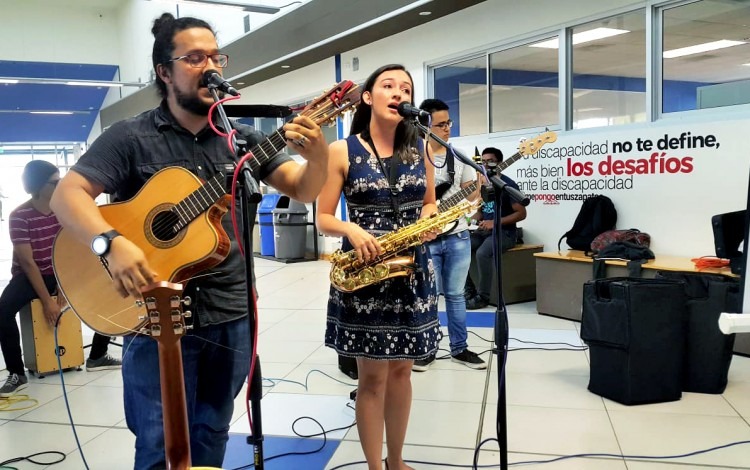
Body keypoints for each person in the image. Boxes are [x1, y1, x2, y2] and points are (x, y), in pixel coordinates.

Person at [49, 13, 328, 469]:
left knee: (212, 433)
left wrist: (317, 157)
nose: (210, 66)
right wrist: (111, 242)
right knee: (158, 444)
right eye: (194, 58)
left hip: (230, 312)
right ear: (164, 71)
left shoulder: (243, 141)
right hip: (153, 316)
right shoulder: (130, 137)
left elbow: (304, 189)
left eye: (216, 57)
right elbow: (67, 194)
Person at [317, 64, 440, 470]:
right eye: (388, 85)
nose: (398, 93)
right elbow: (323, 218)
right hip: (367, 274)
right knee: (372, 378)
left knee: (403, 372)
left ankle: (397, 460)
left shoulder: (419, 146)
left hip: (414, 271)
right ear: (368, 97)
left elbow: (429, 203)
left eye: (406, 88)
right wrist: (352, 229)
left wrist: (428, 223)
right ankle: (374, 465)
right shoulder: (341, 150)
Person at [0, 161, 121, 398]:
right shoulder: (19, 216)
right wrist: (48, 301)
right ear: (38, 185)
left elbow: (74, 250)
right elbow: (27, 263)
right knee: (3, 311)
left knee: (111, 293)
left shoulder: (64, 211)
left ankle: (97, 355)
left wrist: (64, 288)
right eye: (55, 182)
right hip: (31, 275)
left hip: (62, 271)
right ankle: (17, 372)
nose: (60, 185)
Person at [412, 98, 485, 372]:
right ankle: (426, 349)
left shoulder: (460, 156)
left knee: (455, 295)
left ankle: (460, 348)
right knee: (427, 295)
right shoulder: (414, 157)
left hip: (458, 236)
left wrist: (477, 190)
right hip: (426, 239)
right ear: (424, 125)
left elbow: (472, 195)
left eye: (448, 123)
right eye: (441, 124)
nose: (447, 129)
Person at [465, 147, 527, 310]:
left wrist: (495, 222)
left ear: (499, 163)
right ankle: (468, 290)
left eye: (490, 161)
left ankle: (483, 297)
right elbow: (482, 211)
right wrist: (471, 219)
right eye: (483, 162)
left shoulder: (508, 185)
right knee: (460, 248)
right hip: (484, 232)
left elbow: (521, 213)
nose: (485, 165)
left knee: (482, 253)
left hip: (505, 233)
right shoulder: (483, 185)